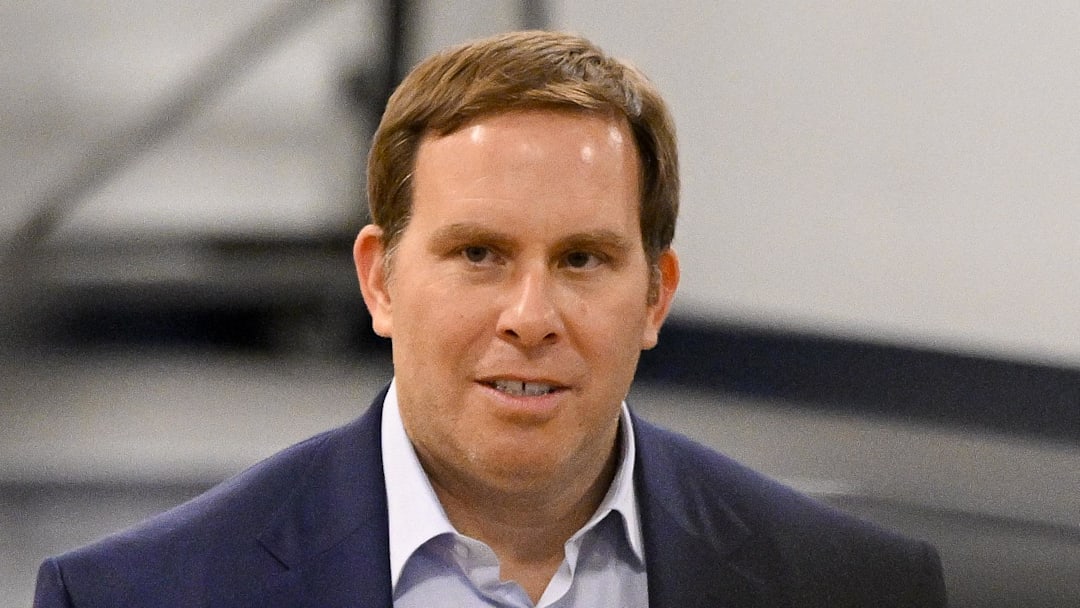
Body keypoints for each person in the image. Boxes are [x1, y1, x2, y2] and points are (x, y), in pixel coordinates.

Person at [34, 30, 947, 607]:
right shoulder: (135, 595)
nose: (530, 316)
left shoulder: (860, 588)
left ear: (656, 297)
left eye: (582, 260)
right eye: (479, 255)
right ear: (380, 282)